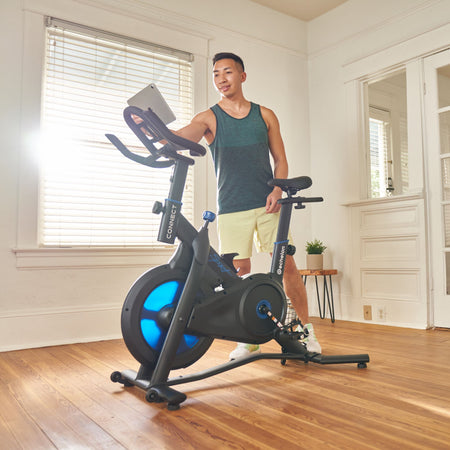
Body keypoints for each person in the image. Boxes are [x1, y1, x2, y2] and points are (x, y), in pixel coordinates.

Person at [176, 52, 321, 358]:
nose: (221, 79)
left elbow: (280, 159)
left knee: (288, 267)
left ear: (242, 76)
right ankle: (248, 338)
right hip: (231, 206)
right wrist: (150, 127)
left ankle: (306, 332)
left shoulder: (265, 115)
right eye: (216, 74)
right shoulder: (208, 118)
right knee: (238, 270)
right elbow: (178, 139)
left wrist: (278, 191)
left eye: (227, 72)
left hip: (267, 203)